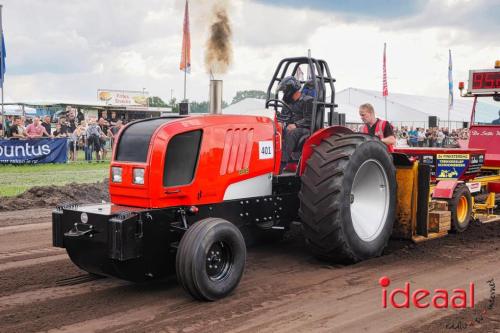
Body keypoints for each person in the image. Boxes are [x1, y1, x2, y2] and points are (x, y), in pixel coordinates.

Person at [277, 76, 313, 169]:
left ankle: (281, 163)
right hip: (290, 127)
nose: (284, 94)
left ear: (290, 90)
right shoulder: (288, 103)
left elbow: (309, 119)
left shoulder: (308, 100)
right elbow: (282, 117)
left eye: (284, 91)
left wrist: (296, 125)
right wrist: (279, 123)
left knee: (291, 132)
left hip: (306, 129)